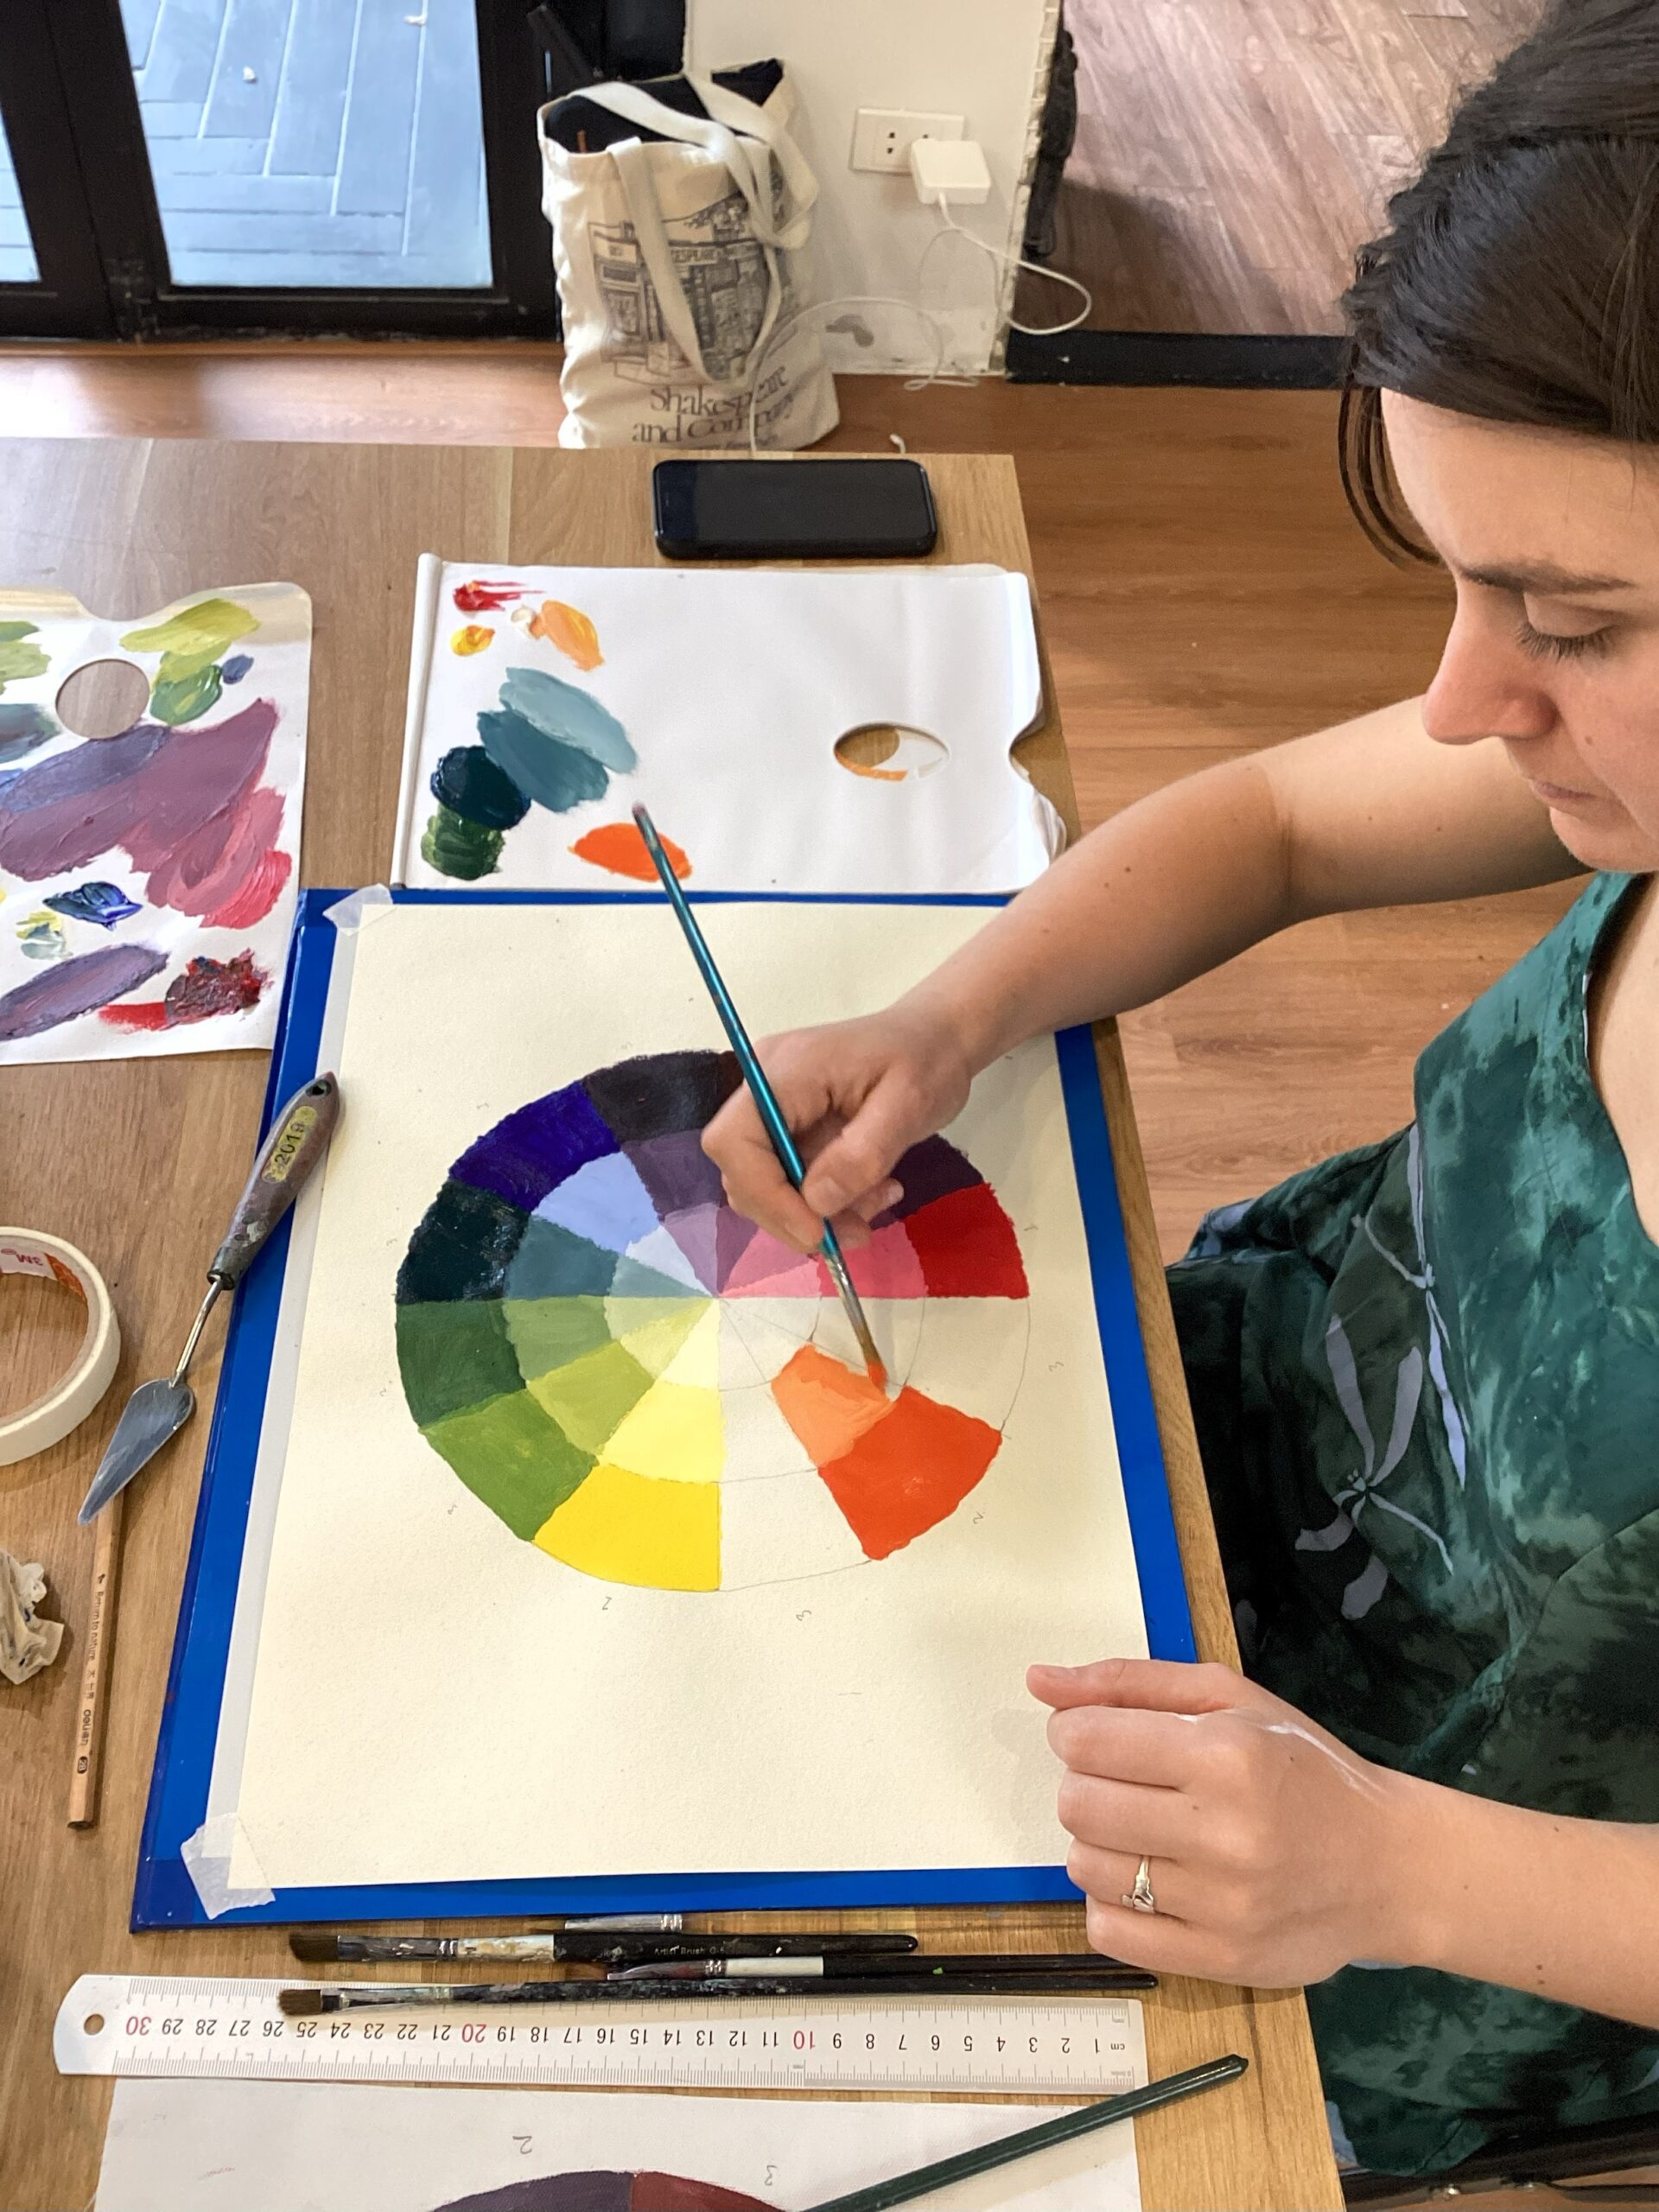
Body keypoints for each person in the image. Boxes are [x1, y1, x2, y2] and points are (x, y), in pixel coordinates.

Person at [702, 0, 1659, 2176]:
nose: (1458, 694)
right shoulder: (1608, 774)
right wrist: (953, 1012)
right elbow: (1284, 826)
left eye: (1571, 614)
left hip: (1406, 1868)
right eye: (1454, 577)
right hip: (1178, 1441)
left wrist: (1398, 1871)